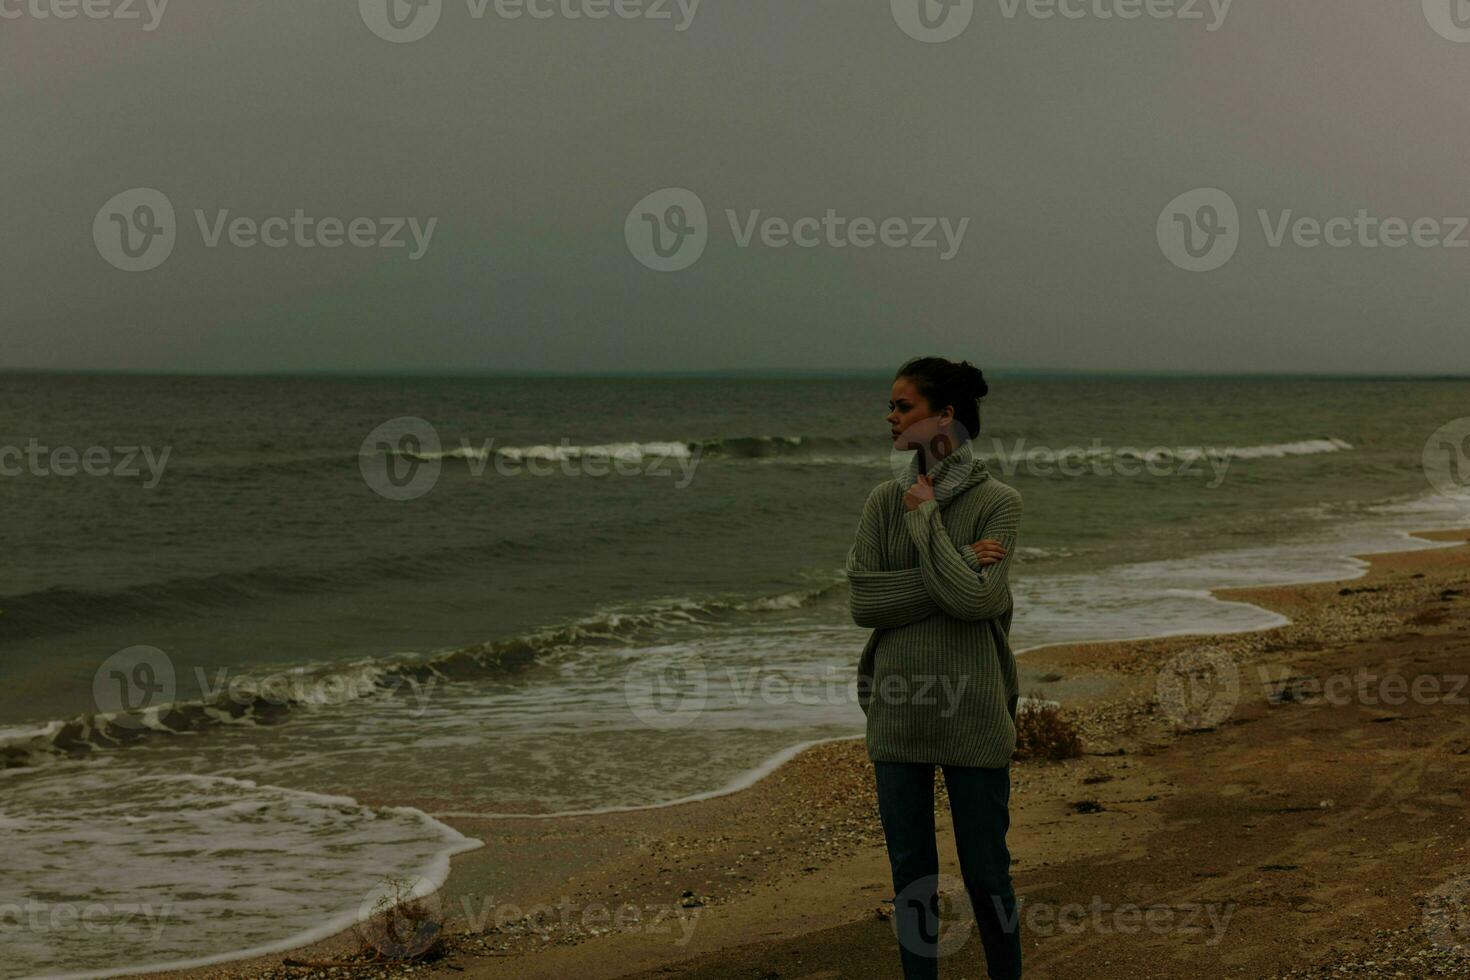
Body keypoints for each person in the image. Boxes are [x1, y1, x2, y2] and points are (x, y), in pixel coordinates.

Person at [845, 355, 1024, 979]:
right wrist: (954, 564)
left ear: (945, 415)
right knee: (911, 875)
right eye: (891, 406)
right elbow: (863, 603)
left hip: (974, 709)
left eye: (903, 406)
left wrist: (925, 518)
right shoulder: (879, 501)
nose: (890, 416)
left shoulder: (999, 503)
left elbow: (977, 601)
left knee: (986, 875)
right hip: (898, 710)